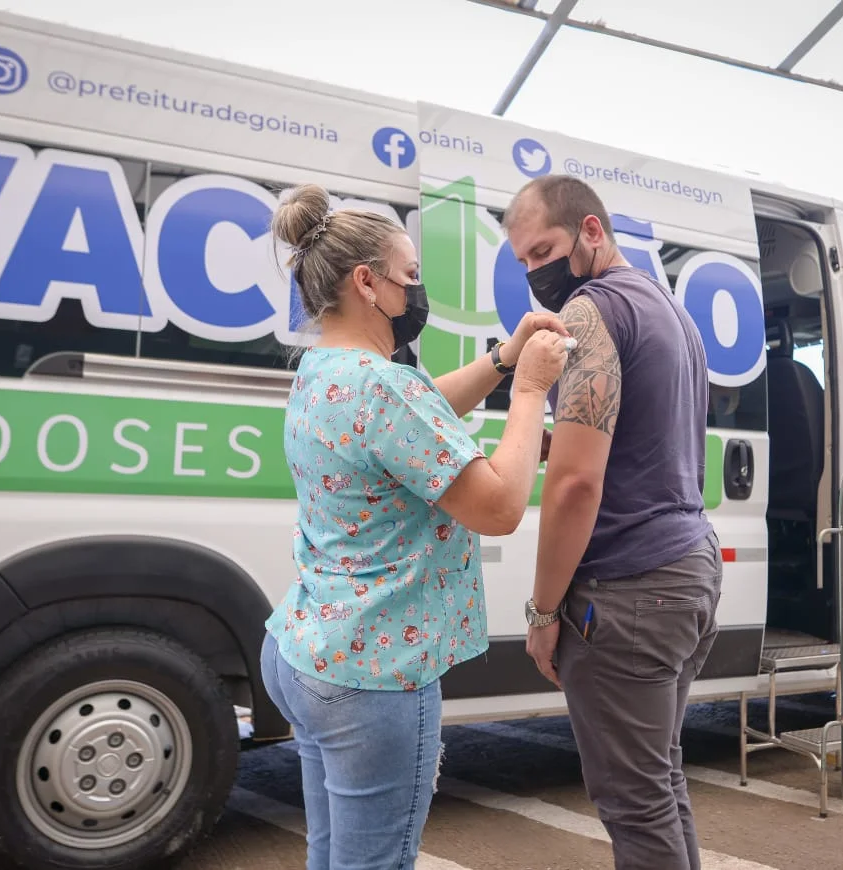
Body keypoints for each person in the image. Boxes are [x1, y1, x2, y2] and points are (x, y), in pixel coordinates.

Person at [259, 183, 570, 870]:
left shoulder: (323, 369)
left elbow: (416, 412)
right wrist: (528, 392)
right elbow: (497, 507)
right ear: (366, 282)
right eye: (412, 277)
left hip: (305, 651)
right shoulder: (382, 386)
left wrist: (502, 358)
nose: (417, 292)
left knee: (333, 855)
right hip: (371, 677)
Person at [503, 175, 723, 870]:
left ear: (592, 231)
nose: (535, 270)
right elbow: (645, 438)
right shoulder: (669, 311)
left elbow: (573, 485)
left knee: (635, 803)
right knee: (657, 786)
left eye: (543, 248)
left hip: (628, 590)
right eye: (521, 261)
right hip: (686, 569)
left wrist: (542, 613)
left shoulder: (591, 311)